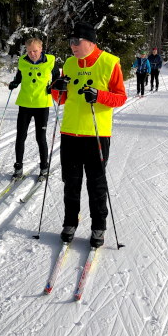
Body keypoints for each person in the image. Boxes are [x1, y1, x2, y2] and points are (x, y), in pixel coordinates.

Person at [50, 21, 126, 248]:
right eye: (70, 42)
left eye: (76, 42)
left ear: (91, 42)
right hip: (70, 132)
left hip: (96, 134)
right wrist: (57, 87)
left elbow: (121, 97)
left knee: (96, 183)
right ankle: (70, 222)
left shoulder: (109, 62)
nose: (72, 46)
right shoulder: (70, 64)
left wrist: (99, 96)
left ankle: (98, 227)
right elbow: (61, 99)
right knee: (70, 182)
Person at [7, 37, 60, 180]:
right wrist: (14, 83)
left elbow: (57, 77)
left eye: (35, 51)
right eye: (29, 51)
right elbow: (19, 77)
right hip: (25, 104)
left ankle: (44, 168)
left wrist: (53, 86)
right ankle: (18, 167)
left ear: (41, 49)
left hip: (42, 104)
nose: (32, 54)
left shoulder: (50, 60)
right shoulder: (23, 61)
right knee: (20, 137)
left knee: (40, 137)